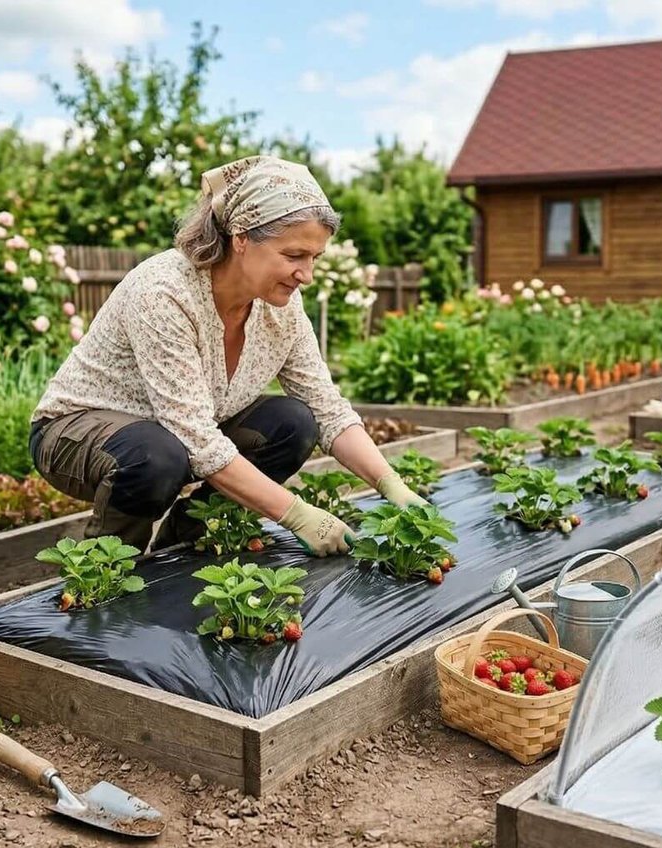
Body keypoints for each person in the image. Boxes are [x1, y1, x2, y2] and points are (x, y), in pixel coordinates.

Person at [29, 154, 426, 557]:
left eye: (314, 258)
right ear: (241, 238)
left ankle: (187, 544)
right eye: (293, 256)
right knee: (156, 456)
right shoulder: (165, 292)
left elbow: (326, 408)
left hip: (177, 436)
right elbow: (196, 439)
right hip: (76, 433)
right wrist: (297, 514)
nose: (306, 274)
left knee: (294, 422)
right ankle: (107, 571)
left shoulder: (282, 309)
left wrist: (391, 485)